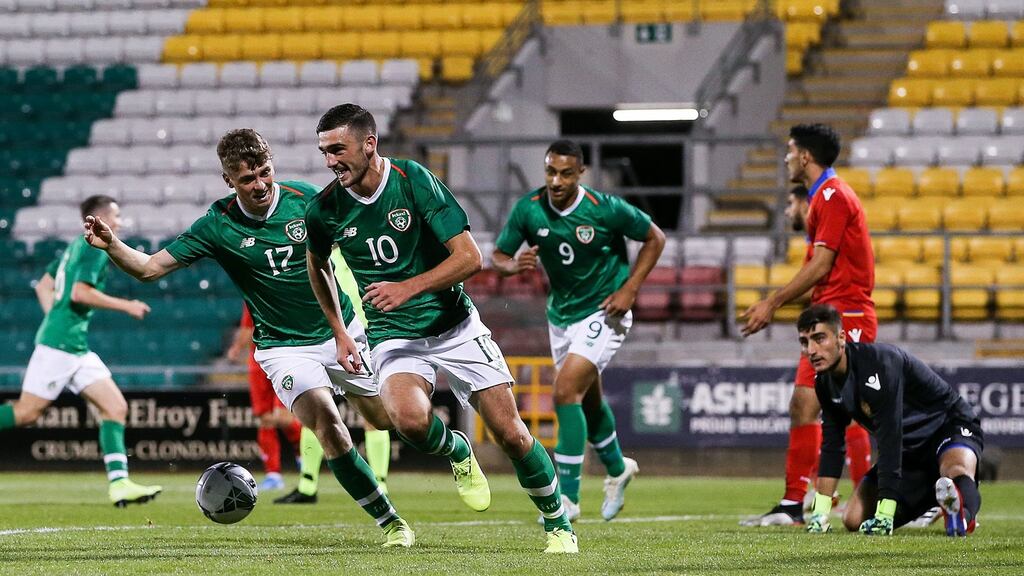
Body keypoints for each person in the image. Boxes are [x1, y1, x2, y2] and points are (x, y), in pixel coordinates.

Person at [83, 129, 413, 547]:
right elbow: (149, 268)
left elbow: (363, 229)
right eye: (247, 179)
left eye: (264, 173)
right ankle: (392, 523)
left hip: (340, 332)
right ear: (228, 181)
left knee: (388, 419)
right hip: (281, 347)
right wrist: (113, 245)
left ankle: (455, 450)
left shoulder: (306, 198)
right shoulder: (218, 225)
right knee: (329, 426)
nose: (259, 185)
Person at [305, 103, 578, 553]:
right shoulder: (325, 209)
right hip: (395, 335)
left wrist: (407, 288)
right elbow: (317, 267)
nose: (331, 161)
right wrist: (338, 330)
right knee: (409, 422)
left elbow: (471, 257)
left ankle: (558, 523)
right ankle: (457, 450)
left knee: (511, 433)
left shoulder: (413, 181)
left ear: (369, 144)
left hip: (455, 326)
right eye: (324, 152)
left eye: (338, 149)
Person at [491, 139, 665, 521]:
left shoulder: (604, 209)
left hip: (605, 310)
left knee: (565, 391)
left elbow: (655, 237)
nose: (556, 180)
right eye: (551, 171)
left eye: (565, 173)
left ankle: (567, 499)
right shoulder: (530, 210)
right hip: (562, 317)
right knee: (586, 399)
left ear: (580, 173)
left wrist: (630, 288)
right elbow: (498, 256)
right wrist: (512, 265)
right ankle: (619, 470)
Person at [740, 124, 875, 526]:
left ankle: (883, 494)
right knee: (809, 406)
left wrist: (773, 301)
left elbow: (822, 265)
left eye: (789, 151)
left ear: (804, 157)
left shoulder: (832, 195)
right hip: (830, 314)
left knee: (851, 411)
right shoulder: (820, 199)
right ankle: (796, 504)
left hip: (847, 314)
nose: (785, 159)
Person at [0, 195, 162, 507]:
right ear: (102, 217)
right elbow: (79, 292)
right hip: (61, 345)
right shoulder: (96, 246)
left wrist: (54, 318)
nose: (120, 222)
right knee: (27, 412)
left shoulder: (74, 245)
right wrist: (126, 305)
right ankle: (119, 482)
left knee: (115, 407)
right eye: (116, 216)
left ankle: (120, 484)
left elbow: (43, 285)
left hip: (74, 345)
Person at [797, 304, 983, 536]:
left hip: (948, 425)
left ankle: (961, 518)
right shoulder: (824, 383)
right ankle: (939, 497)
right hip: (908, 452)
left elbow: (890, 437)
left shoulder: (879, 363)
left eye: (819, 338)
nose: (811, 350)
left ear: (841, 338)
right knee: (852, 519)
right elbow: (832, 446)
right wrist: (819, 515)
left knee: (954, 467)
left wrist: (885, 514)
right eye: (805, 342)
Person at [226, 302, 303, 492]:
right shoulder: (249, 294)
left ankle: (307, 458)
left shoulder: (281, 287)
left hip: (283, 355)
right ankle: (273, 475)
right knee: (265, 419)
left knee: (283, 417)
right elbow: (247, 326)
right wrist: (238, 347)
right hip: (257, 360)